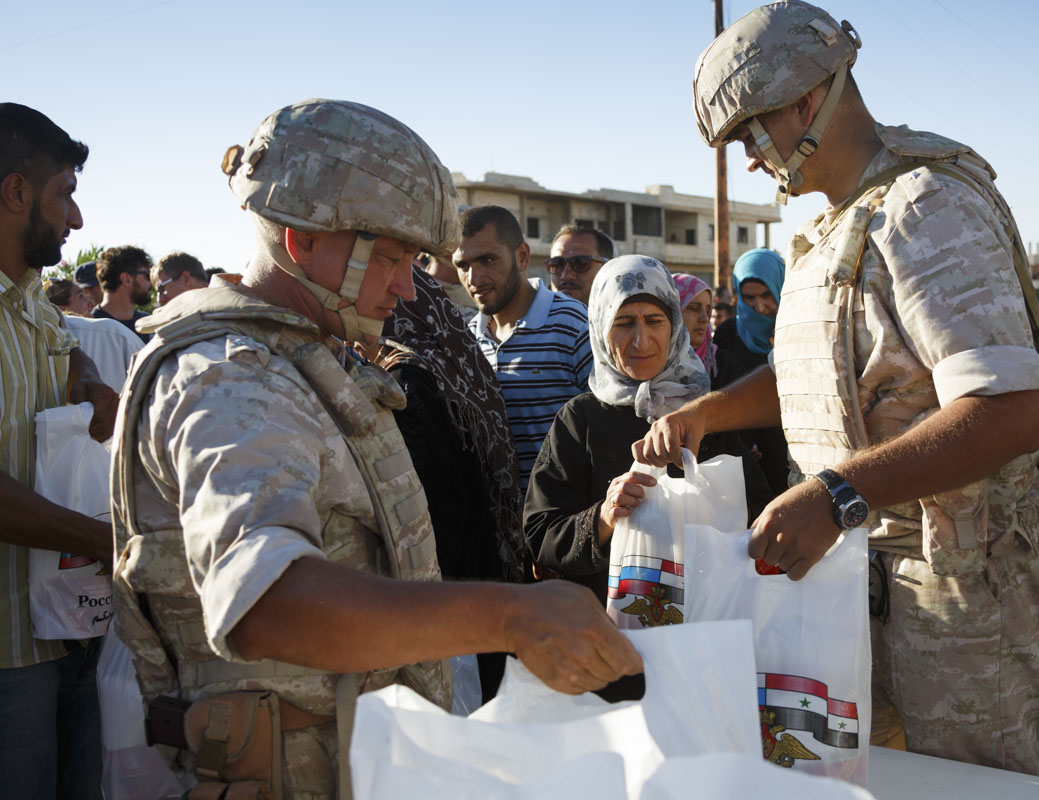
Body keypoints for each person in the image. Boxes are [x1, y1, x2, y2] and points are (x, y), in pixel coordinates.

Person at [109, 99, 641, 799]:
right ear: (303, 239)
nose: (406, 284)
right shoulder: (231, 377)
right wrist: (510, 617)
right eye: (390, 257)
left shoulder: (312, 360)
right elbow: (265, 602)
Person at [637, 2, 1039, 775]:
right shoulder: (835, 225)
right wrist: (711, 411)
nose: (749, 159)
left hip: (954, 592)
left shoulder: (925, 209)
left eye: (749, 133)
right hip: (855, 581)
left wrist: (834, 494)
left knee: (958, 792)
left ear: (808, 98)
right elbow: (826, 375)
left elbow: (1008, 414)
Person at [524, 255, 772, 602]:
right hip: (610, 632)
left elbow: (759, 506)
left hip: (707, 625)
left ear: (674, 326)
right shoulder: (580, 419)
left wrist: (710, 505)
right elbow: (542, 533)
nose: (641, 341)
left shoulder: (704, 411)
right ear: (599, 327)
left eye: (654, 320)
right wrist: (604, 516)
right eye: (624, 323)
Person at [0, 102, 119, 800]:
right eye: (64, 194)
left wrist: (90, 376)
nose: (75, 220)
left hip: (65, 631)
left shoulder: (29, 301)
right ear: (15, 193)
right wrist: (111, 542)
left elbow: (61, 344)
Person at [373, 266, 527, 698]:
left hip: (448, 596)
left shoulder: (407, 380)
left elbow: (431, 509)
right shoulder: (455, 364)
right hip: (485, 573)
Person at [456, 205, 593, 490]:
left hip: (566, 518)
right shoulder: (468, 338)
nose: (473, 278)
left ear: (521, 256)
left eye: (487, 260)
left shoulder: (572, 323)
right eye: (463, 266)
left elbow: (607, 425)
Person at [712, 248, 790, 495]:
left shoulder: (796, 327)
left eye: (767, 294)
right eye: (749, 298)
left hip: (790, 449)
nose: (760, 306)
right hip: (741, 454)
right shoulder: (727, 334)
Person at [92, 244, 153, 342]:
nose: (151, 283)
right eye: (147, 276)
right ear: (126, 279)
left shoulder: (149, 324)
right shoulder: (90, 327)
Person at [546, 224, 613, 306]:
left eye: (580, 263)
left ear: (606, 268)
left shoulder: (628, 314)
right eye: (557, 264)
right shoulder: (531, 316)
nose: (566, 275)